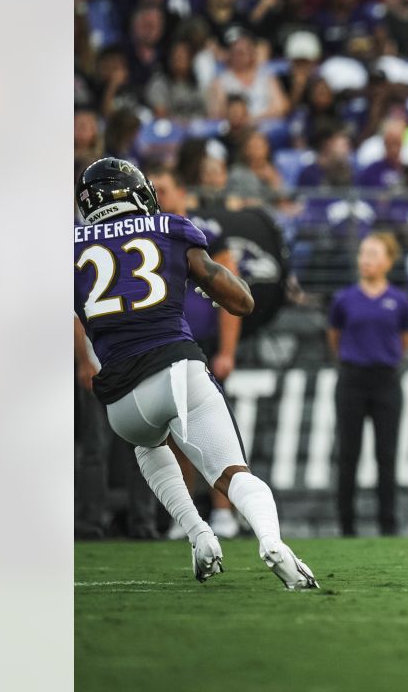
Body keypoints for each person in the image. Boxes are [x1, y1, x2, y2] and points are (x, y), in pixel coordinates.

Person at [74, 157, 316, 589]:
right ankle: (272, 542)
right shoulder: (170, 227)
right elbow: (242, 301)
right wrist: (199, 279)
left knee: (149, 449)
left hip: (119, 398)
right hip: (175, 369)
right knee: (232, 474)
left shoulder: (70, 246)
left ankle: (199, 534)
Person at [144, 165, 244, 539]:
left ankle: (223, 512)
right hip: (162, 347)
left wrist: (228, 350)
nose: (160, 197)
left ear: (184, 193)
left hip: (204, 347)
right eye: (155, 191)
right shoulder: (144, 236)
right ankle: (185, 515)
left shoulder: (204, 232)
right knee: (174, 431)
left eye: (166, 190)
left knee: (220, 431)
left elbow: (230, 289)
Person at [327, 232, 408, 536]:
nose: (366, 260)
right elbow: (335, 337)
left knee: (386, 455)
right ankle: (346, 525)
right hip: (352, 379)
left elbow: (404, 339)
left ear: (389, 261)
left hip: (386, 381)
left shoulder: (400, 301)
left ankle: (387, 524)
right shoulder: (344, 298)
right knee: (348, 454)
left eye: (374, 254)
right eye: (363, 253)